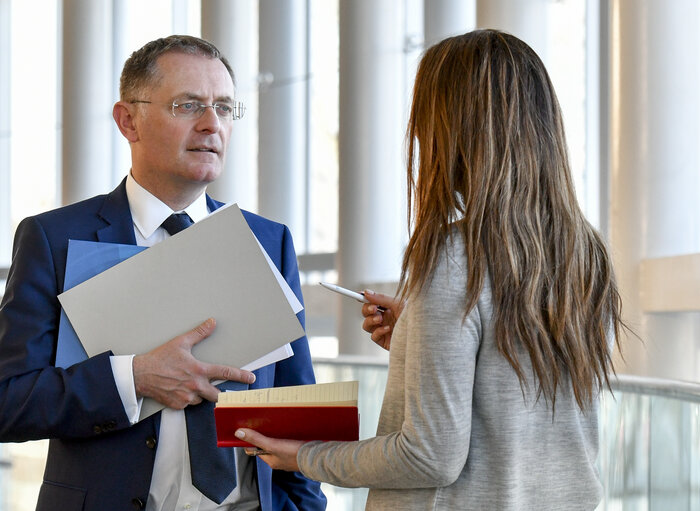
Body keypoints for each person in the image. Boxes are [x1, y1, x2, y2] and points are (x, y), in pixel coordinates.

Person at [236, 29, 625, 510]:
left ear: (451, 129)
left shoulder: (453, 254)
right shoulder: (585, 253)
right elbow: (512, 393)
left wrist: (309, 456)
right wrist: (416, 339)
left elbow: (428, 457)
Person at [0, 35, 326, 511]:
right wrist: (134, 377)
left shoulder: (268, 240)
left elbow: (295, 406)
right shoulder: (53, 238)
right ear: (128, 121)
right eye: (188, 105)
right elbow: (6, 407)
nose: (211, 125)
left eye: (225, 108)